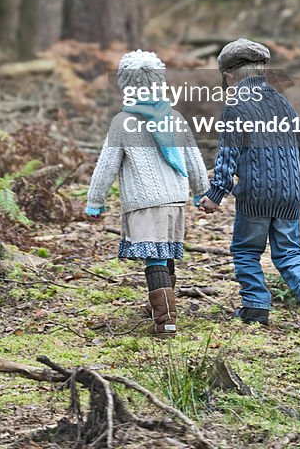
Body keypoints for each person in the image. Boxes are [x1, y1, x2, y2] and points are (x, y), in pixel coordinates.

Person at [197, 37, 300, 331]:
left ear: (229, 76)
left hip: (256, 194)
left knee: (247, 251)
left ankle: (255, 306)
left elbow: (228, 154)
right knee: (289, 252)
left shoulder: (236, 105)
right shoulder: (283, 102)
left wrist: (215, 194)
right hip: (289, 193)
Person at [86, 49, 210, 337]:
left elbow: (106, 166)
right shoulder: (175, 117)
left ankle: (165, 318)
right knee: (165, 253)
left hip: (144, 201)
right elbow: (193, 159)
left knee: (154, 257)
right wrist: (202, 190)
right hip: (175, 200)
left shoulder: (122, 123)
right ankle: (162, 306)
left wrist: (95, 201)